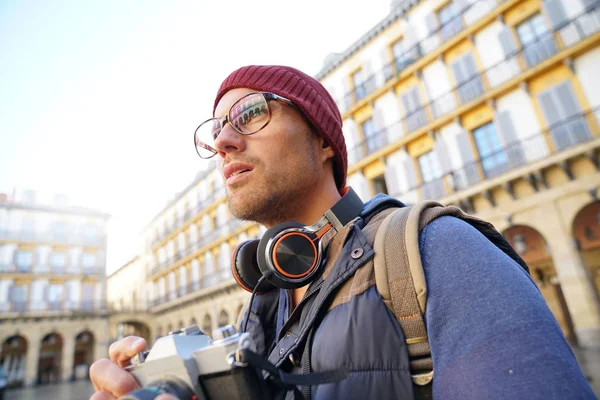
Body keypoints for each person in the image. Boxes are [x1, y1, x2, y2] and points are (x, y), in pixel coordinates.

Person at [89, 65, 595, 400]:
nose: (223, 140)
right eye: (216, 130)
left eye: (249, 114)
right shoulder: (263, 305)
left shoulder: (434, 251)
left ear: (323, 140)